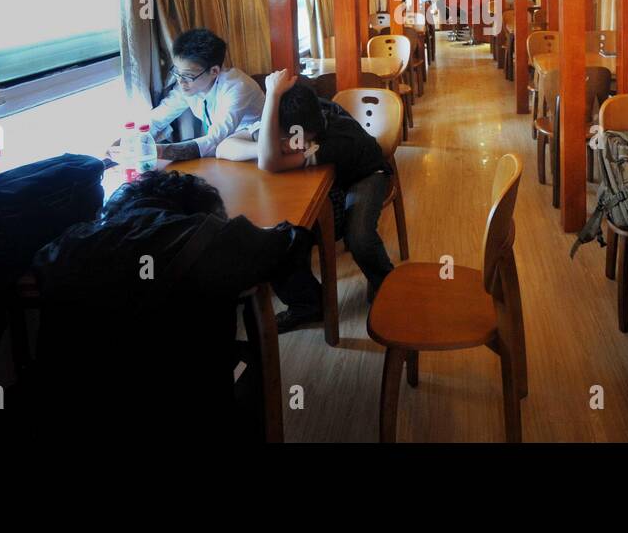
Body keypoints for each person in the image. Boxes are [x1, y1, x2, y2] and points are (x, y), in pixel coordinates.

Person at [28, 169, 308, 439]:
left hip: (68, 418)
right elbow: (293, 242)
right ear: (198, 210)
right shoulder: (205, 236)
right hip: (178, 414)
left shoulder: (67, 244)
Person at [255, 69, 393, 331]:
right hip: (328, 178)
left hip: (366, 175)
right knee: (286, 233)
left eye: (292, 140)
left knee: (359, 237)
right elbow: (231, 146)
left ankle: (386, 283)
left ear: (310, 134)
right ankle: (307, 305)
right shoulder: (303, 111)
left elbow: (269, 161)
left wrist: (272, 94)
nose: (287, 143)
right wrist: (271, 124)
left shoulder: (335, 141)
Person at [146, 28, 264, 161]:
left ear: (214, 71)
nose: (180, 81)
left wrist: (159, 151)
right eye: (177, 72)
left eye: (188, 75)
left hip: (253, 146)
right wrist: (135, 139)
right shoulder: (188, 86)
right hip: (224, 152)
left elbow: (215, 138)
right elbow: (158, 118)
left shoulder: (236, 86)